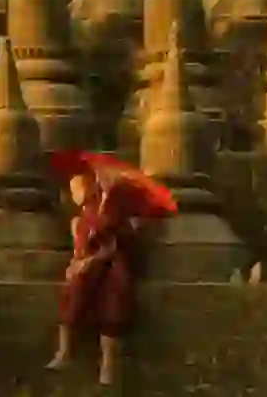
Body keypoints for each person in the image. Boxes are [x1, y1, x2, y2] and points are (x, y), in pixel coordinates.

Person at [45, 150, 177, 389]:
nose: (75, 191)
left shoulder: (118, 202)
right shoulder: (86, 212)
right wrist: (78, 261)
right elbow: (83, 244)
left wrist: (94, 257)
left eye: (78, 186)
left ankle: (108, 366)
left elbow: (114, 241)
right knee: (75, 290)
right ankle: (64, 351)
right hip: (91, 263)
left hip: (112, 261)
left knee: (113, 298)